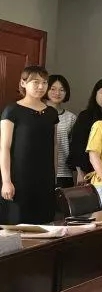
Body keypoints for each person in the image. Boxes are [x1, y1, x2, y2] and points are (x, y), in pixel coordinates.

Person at [0, 66, 59, 224]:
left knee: (45, 222)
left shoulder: (51, 113)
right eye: (36, 82)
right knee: (18, 223)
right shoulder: (12, 110)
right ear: (23, 83)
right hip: (19, 176)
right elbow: (4, 148)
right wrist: (6, 181)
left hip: (45, 176)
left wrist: (54, 175)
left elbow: (54, 145)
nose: (41, 86)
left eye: (44, 82)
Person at [69, 78, 102, 184]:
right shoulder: (86, 116)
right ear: (95, 94)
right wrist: (80, 173)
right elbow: (77, 146)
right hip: (89, 171)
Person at [45, 74, 77, 188]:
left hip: (64, 172)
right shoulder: (37, 114)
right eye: (53, 89)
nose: (57, 93)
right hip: (40, 170)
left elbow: (75, 146)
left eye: (62, 90)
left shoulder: (71, 117)